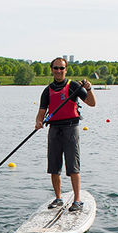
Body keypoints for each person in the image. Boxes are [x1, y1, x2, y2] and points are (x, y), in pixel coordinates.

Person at [35, 57, 95, 212]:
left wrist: (88, 89)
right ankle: (58, 198)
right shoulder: (47, 90)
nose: (58, 71)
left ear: (66, 70)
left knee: (73, 167)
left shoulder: (73, 86)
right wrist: (38, 122)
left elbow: (91, 103)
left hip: (71, 128)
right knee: (54, 167)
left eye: (61, 68)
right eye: (56, 68)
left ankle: (77, 200)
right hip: (54, 129)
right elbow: (41, 111)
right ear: (52, 69)